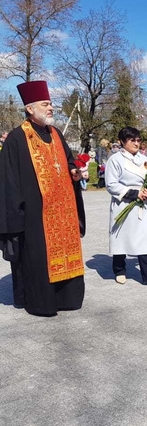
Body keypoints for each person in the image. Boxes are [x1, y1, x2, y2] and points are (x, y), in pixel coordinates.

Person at [0, 80, 86, 316]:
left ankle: (67, 298)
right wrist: (16, 218)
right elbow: (9, 182)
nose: (51, 108)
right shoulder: (17, 139)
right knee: (38, 257)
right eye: (45, 104)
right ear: (30, 108)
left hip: (64, 212)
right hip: (36, 216)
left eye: (51, 104)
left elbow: (68, 161)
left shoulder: (56, 133)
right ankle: (42, 302)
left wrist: (74, 171)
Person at [106, 127, 147, 287]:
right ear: (123, 142)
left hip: (142, 205)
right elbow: (111, 184)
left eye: (138, 140)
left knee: (145, 239)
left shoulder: (143, 159)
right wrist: (134, 193)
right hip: (124, 202)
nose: (136, 143)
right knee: (121, 238)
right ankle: (119, 270)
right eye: (132, 140)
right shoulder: (115, 159)